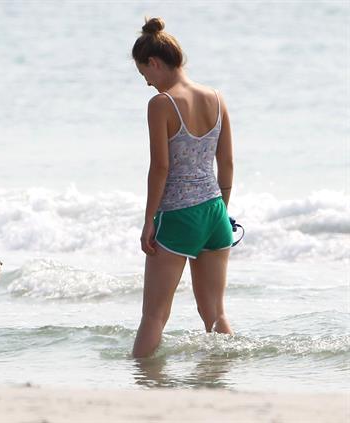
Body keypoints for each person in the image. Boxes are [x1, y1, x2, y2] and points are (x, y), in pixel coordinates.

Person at [131, 17, 234, 358]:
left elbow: (160, 167)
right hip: (216, 213)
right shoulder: (216, 98)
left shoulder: (162, 104)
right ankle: (222, 377)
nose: (147, 83)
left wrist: (149, 221)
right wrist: (222, 210)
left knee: (153, 315)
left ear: (155, 62)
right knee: (216, 314)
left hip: (178, 215)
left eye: (145, 74)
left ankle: (142, 381)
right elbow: (228, 164)